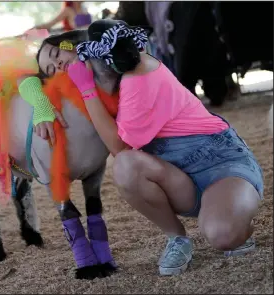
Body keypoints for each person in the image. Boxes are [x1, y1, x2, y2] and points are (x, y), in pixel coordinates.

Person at [35, 19, 264, 276]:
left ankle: (234, 220)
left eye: (56, 54)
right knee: (125, 166)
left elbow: (118, 145)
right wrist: (40, 107)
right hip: (177, 176)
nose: (58, 65)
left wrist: (86, 88)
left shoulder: (135, 71)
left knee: (223, 236)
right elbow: (22, 81)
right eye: (51, 69)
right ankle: (177, 238)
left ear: (74, 44)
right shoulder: (104, 79)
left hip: (221, 164)